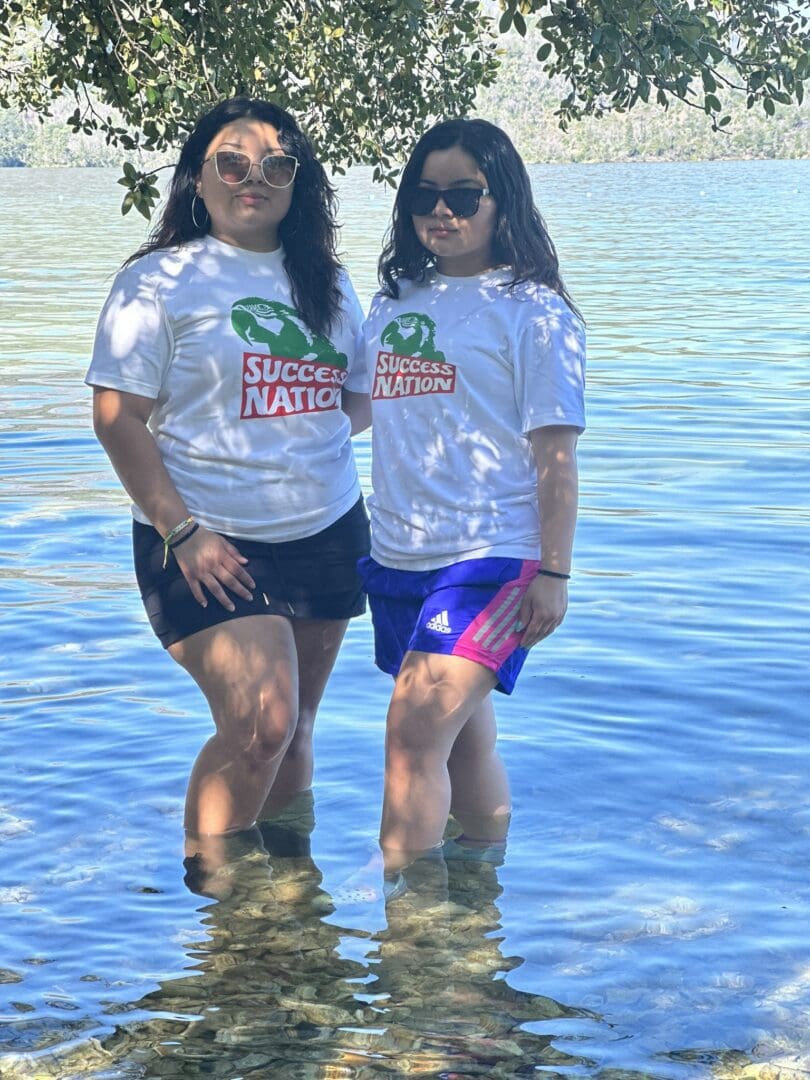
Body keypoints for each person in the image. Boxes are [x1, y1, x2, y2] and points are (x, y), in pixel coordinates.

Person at [86, 97, 371, 882]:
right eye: (233, 163)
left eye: (277, 165)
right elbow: (118, 419)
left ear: (298, 182)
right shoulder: (156, 282)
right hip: (203, 539)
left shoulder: (331, 285)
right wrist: (182, 531)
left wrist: (298, 443)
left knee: (298, 728)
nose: (255, 178)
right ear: (198, 178)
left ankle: (293, 899)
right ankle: (221, 904)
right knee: (260, 724)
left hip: (327, 531)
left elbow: (357, 399)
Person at [358, 118, 585, 884]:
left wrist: (554, 573)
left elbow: (556, 454)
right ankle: (477, 901)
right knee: (462, 743)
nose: (441, 211)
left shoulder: (534, 311)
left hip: (491, 555)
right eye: (425, 194)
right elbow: (356, 409)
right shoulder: (394, 302)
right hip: (397, 556)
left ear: (502, 201)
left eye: (463, 195)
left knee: (411, 738)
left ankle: (410, 929)